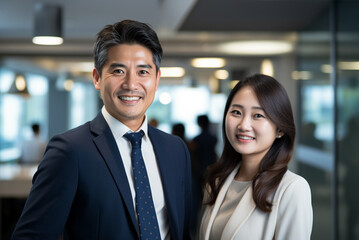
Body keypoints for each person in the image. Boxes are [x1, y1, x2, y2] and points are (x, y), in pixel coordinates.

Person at [12, 19, 192, 240]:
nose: (131, 84)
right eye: (118, 71)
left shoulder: (175, 150)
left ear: (157, 79)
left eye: (143, 72)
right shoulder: (70, 151)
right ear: (97, 78)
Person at [198, 74, 312, 240]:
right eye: (236, 112)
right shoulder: (215, 181)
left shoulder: (292, 189)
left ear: (280, 129)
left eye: (258, 115)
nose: (243, 125)